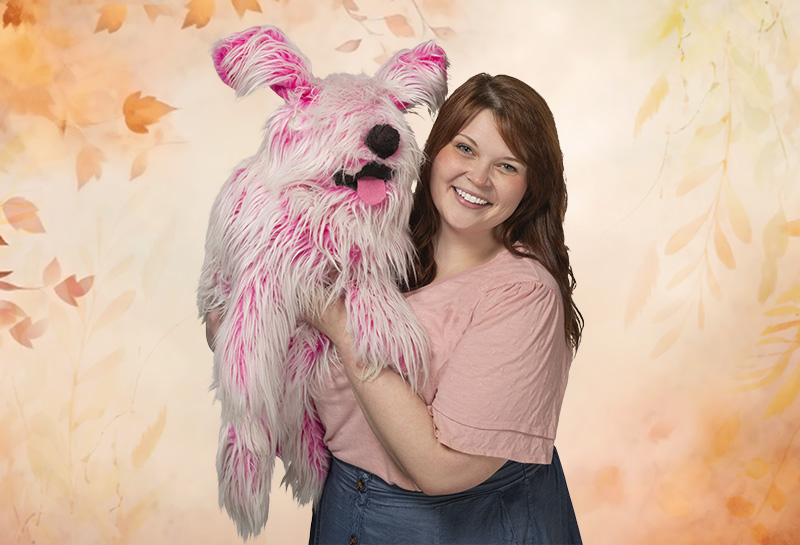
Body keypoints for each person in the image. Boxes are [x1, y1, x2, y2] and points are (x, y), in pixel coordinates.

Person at [207, 73, 583, 544]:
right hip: (343, 510)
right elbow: (290, 378)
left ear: (532, 185)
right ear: (433, 150)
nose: (478, 178)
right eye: (465, 149)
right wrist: (241, 311)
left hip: (465, 528)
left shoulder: (523, 296)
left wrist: (338, 325)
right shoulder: (371, 237)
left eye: (507, 166)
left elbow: (443, 471)